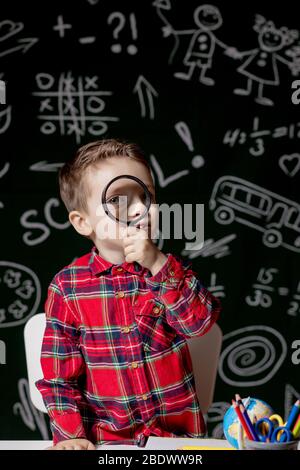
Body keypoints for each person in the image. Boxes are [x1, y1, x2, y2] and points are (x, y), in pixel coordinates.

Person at [36, 138, 221, 450]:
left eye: (145, 195)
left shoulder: (170, 272)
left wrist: (159, 265)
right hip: (108, 442)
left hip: (176, 442)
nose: (140, 209)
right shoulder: (68, 288)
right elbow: (59, 378)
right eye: (119, 201)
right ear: (83, 222)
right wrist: (72, 436)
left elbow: (200, 325)